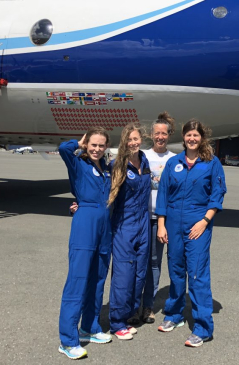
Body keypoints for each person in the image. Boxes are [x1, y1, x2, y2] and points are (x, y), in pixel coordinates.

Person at [155, 119, 227, 348]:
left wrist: (205, 221)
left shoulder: (211, 163)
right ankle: (174, 314)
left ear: (202, 138)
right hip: (173, 222)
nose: (192, 139)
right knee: (175, 270)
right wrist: (161, 224)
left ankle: (203, 327)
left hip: (198, 223)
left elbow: (217, 194)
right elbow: (163, 194)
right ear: (183, 137)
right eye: (188, 135)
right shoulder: (174, 162)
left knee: (196, 274)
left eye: (196, 135)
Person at [58, 128, 113, 360]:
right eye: (93, 145)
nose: (97, 149)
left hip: (104, 225)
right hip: (85, 224)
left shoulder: (106, 170)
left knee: (98, 278)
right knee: (78, 280)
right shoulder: (78, 164)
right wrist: (78, 144)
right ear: (87, 144)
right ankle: (68, 341)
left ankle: (89, 326)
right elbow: (63, 149)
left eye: (101, 146)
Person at [129, 112, 177, 325]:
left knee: (154, 263)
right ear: (151, 134)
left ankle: (148, 305)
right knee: (137, 262)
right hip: (140, 218)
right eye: (157, 133)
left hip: (161, 220)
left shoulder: (173, 160)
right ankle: (132, 305)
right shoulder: (142, 156)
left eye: (164, 133)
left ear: (169, 135)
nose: (160, 137)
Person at [107, 123, 152, 340]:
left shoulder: (144, 161)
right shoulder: (119, 165)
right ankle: (116, 322)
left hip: (143, 224)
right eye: (130, 140)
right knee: (123, 275)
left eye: (136, 139)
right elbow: (106, 192)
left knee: (139, 274)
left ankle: (126, 316)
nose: (134, 143)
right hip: (124, 225)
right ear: (124, 142)